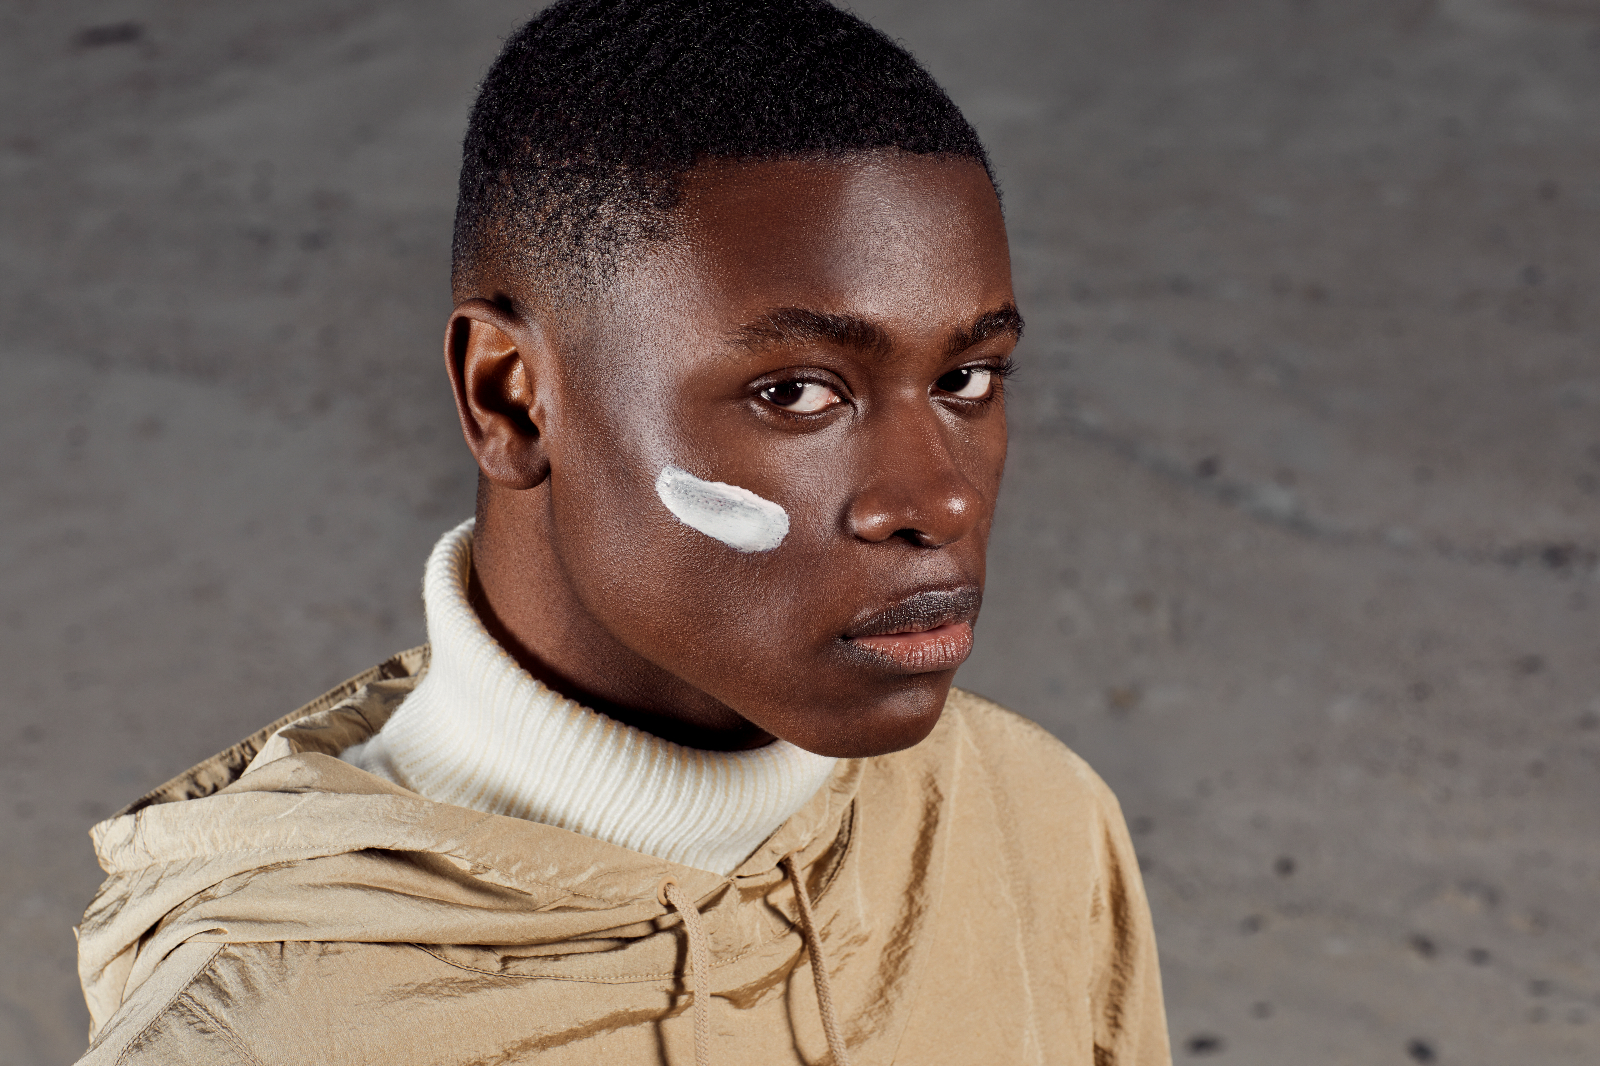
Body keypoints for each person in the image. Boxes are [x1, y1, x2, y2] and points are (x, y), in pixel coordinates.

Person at [72, 1, 1171, 1063]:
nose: (936, 502)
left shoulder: (1037, 820)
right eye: (794, 392)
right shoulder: (266, 1035)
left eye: (965, 377)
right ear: (512, 401)